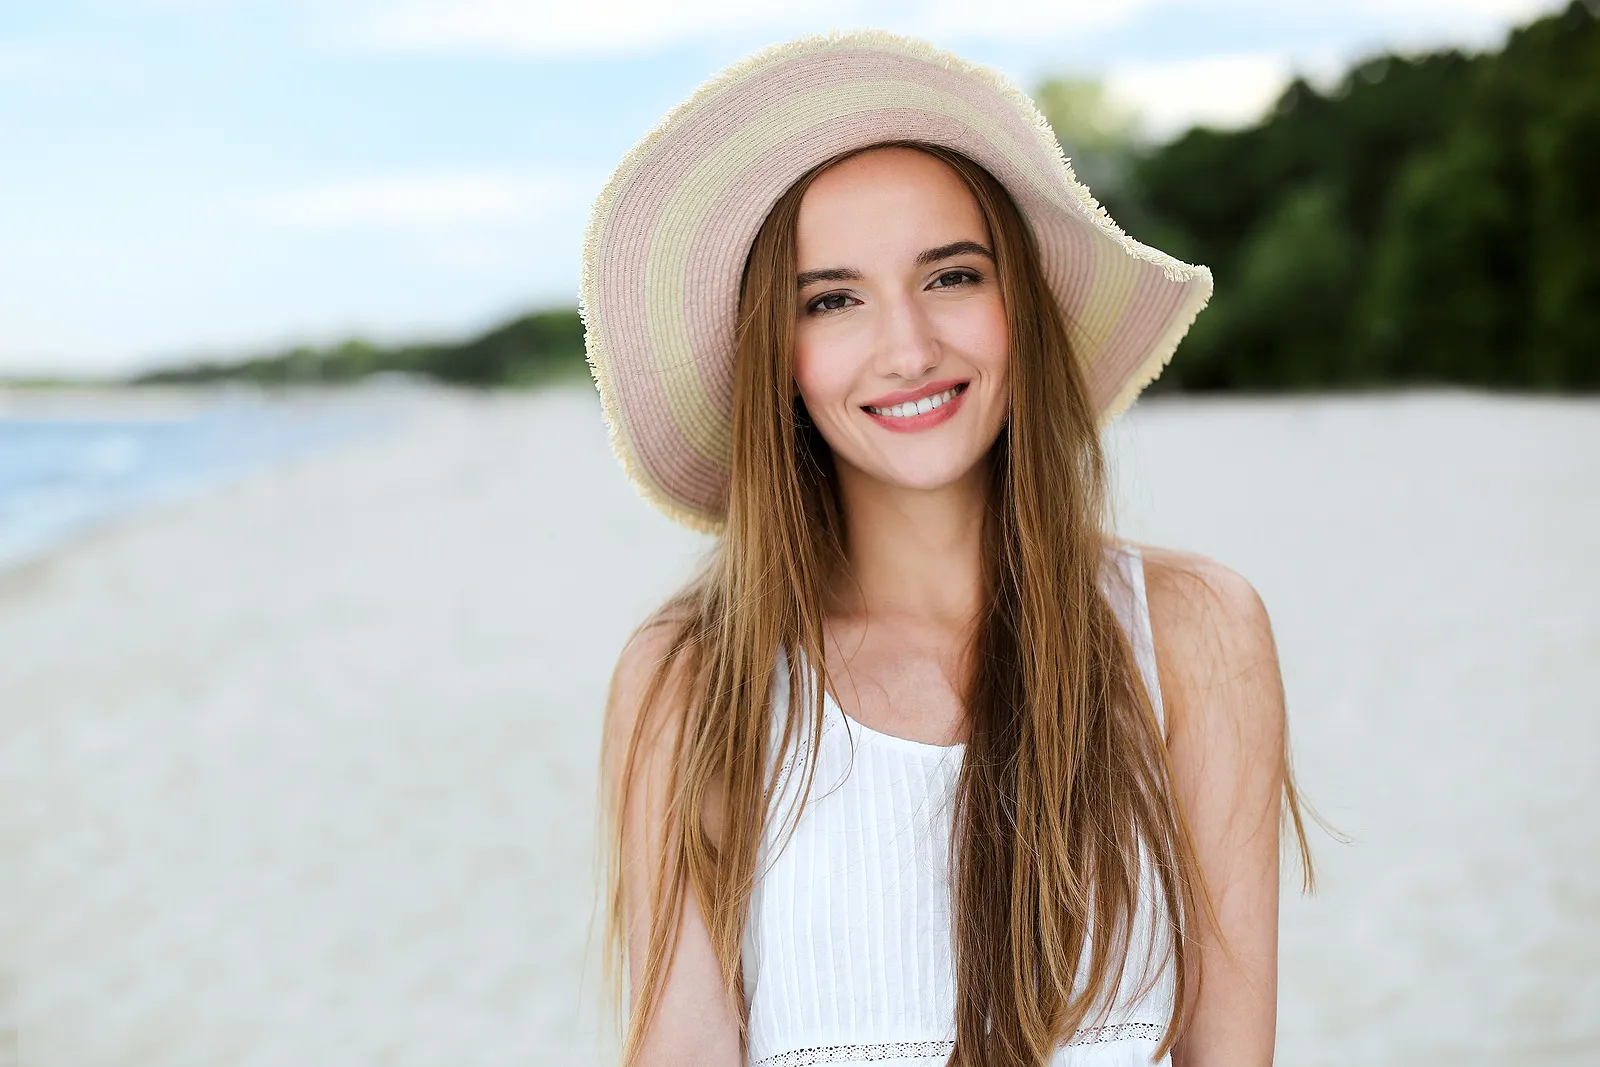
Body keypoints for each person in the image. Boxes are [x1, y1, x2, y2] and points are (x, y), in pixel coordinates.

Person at [580, 30, 1314, 1067]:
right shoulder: (697, 678)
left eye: (951, 276)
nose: (909, 348)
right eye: (831, 299)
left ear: (1018, 302)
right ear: (774, 358)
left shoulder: (1196, 631)